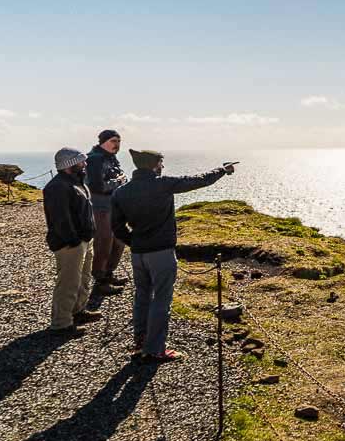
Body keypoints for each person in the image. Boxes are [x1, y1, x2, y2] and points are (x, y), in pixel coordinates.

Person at [110, 149, 236, 363]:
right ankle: (155, 349)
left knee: (142, 297)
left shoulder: (121, 192)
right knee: (161, 299)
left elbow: (116, 226)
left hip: (138, 253)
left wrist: (134, 242)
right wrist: (222, 170)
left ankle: (140, 342)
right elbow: (199, 180)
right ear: (154, 165)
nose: (163, 166)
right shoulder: (163, 184)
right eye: (161, 162)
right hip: (161, 252)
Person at [42, 148, 104, 332]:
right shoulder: (58, 187)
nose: (85, 164)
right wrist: (74, 240)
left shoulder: (76, 182)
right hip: (70, 244)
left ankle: (78, 311)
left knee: (83, 279)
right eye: (81, 161)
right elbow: (60, 218)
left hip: (83, 240)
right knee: (68, 282)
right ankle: (61, 323)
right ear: (70, 164)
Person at [84, 129, 128, 295]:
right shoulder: (95, 159)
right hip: (100, 207)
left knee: (119, 240)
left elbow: (116, 176)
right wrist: (118, 181)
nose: (117, 145)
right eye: (113, 141)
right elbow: (97, 186)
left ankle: (109, 274)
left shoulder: (110, 156)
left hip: (113, 205)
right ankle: (100, 280)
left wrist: (121, 181)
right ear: (103, 141)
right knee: (104, 242)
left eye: (118, 141)